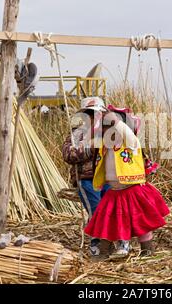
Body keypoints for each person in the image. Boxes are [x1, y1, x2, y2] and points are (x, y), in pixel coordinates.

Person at [84, 106, 170, 259]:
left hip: (132, 190)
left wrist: (115, 120)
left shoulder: (130, 142)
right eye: (105, 128)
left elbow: (126, 132)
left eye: (111, 127)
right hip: (114, 192)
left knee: (140, 222)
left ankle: (147, 250)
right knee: (108, 221)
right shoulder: (105, 145)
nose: (107, 131)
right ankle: (104, 251)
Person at [62, 97, 110, 257]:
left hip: (109, 179)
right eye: (89, 113)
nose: (94, 116)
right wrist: (89, 147)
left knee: (112, 210)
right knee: (97, 211)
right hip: (87, 179)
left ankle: (112, 241)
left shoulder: (110, 132)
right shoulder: (77, 134)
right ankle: (97, 243)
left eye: (97, 113)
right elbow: (68, 155)